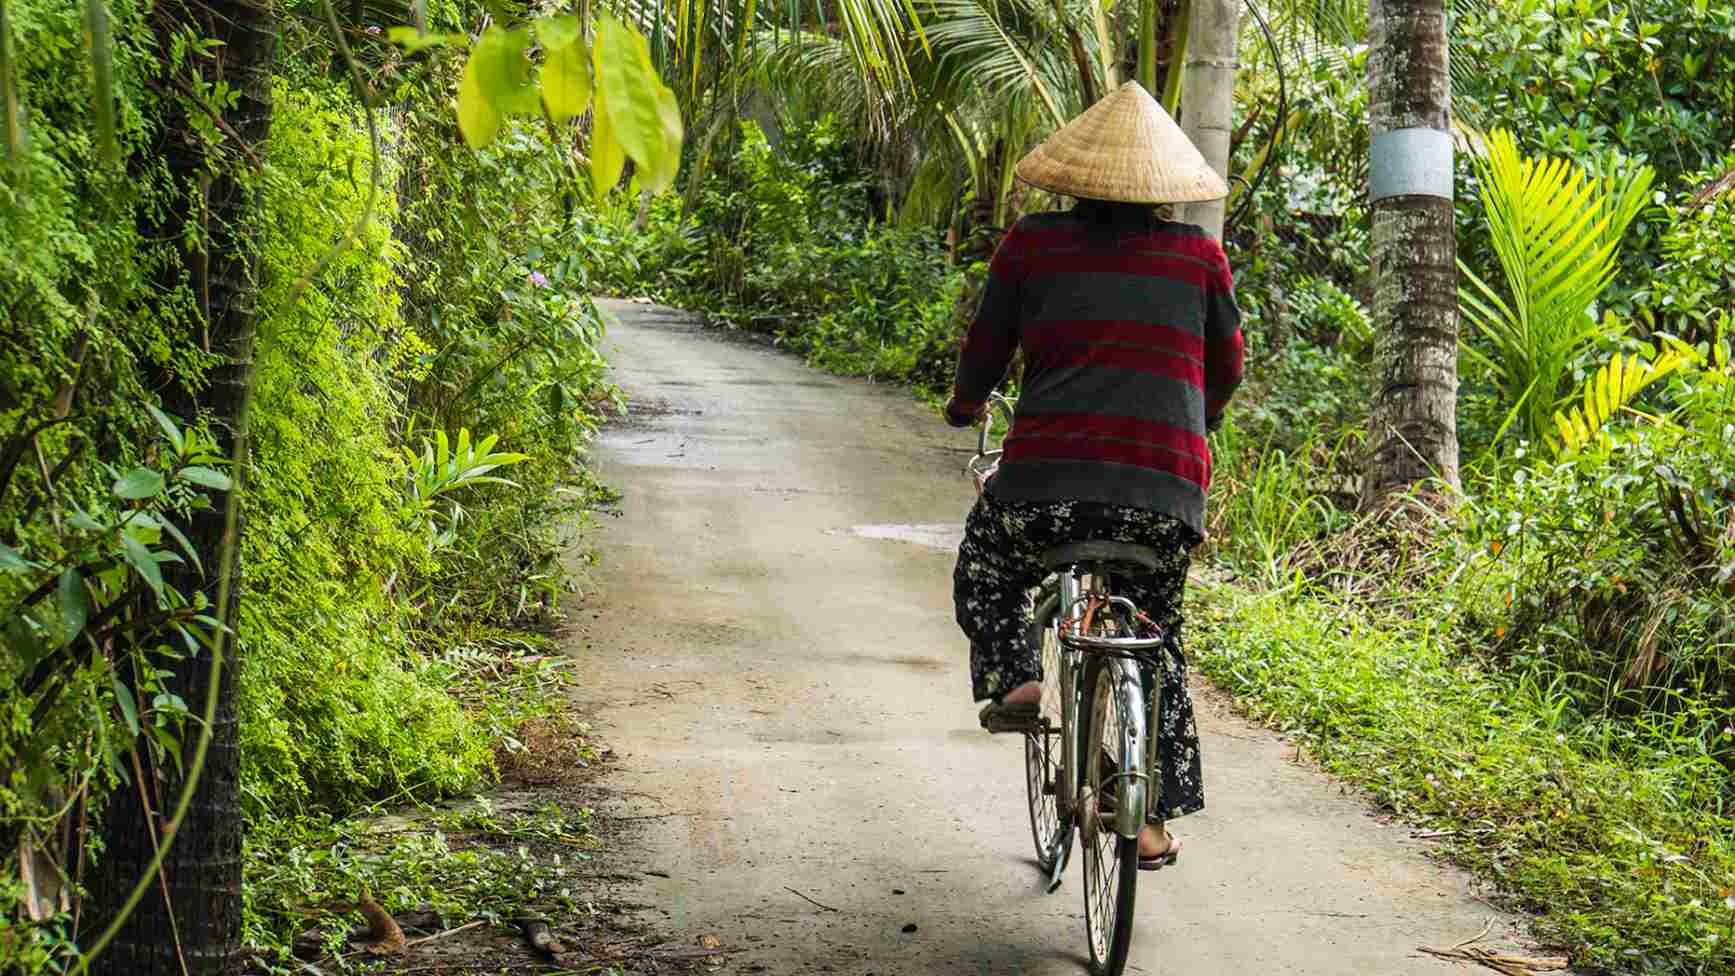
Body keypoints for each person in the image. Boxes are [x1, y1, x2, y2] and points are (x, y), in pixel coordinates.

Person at [945, 81, 1244, 869]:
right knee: (1154, 641)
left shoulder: (1032, 244)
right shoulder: (1198, 255)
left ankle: (1015, 681)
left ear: (1074, 179)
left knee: (987, 568)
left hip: (1043, 486)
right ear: (1163, 190)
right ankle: (1144, 821)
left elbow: (987, 345)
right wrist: (1193, 424)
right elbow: (1226, 367)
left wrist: (964, 403)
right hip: (1163, 495)